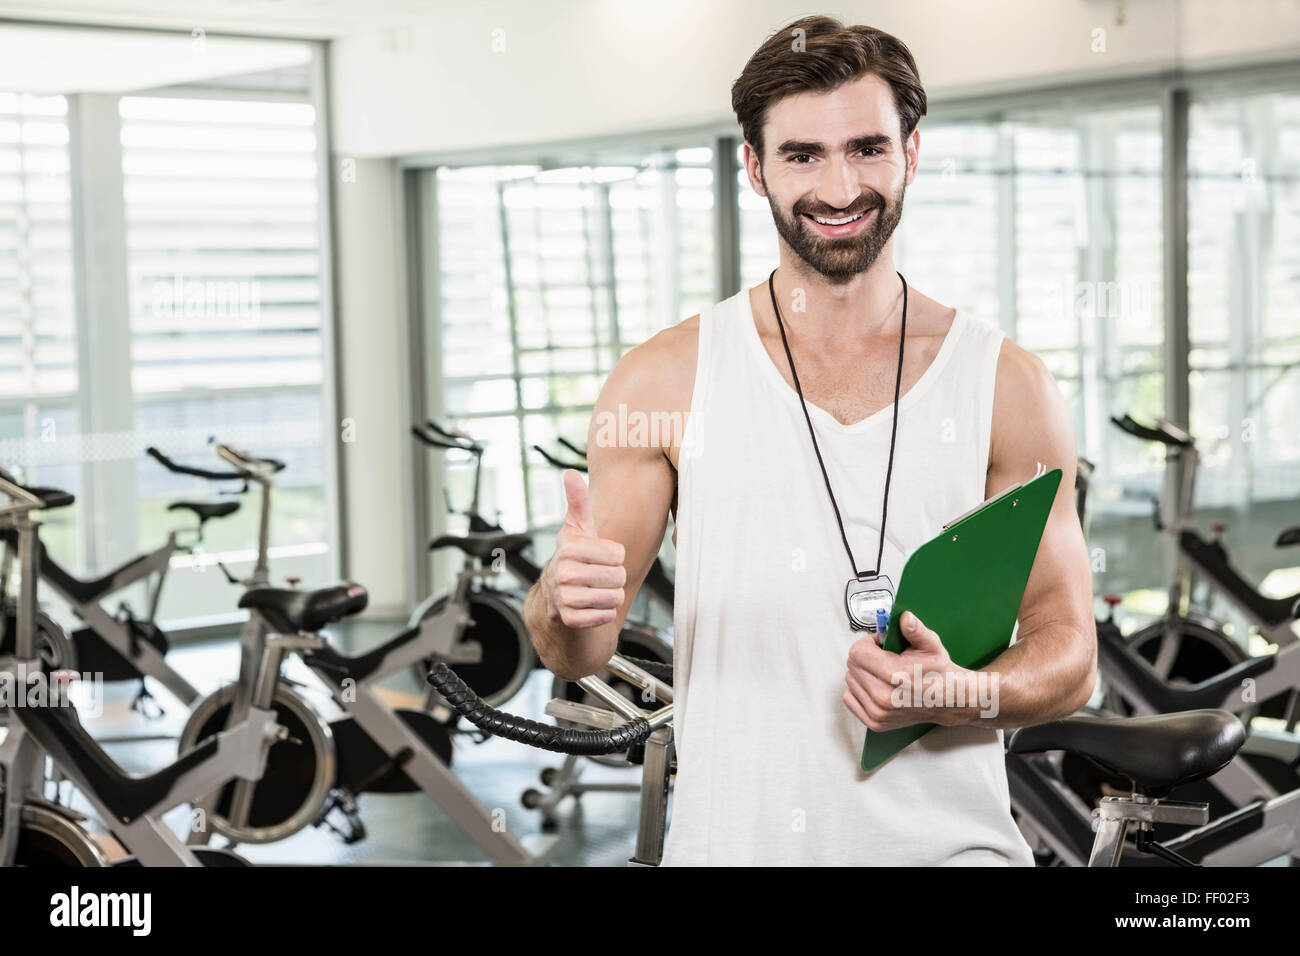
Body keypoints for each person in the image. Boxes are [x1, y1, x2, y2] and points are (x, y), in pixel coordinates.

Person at [523, 15, 1096, 865]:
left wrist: (963, 692)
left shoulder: (1009, 386)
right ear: (754, 167)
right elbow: (576, 647)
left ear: (912, 154)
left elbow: (1071, 658)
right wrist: (561, 603)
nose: (839, 187)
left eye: (867, 148)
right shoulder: (665, 381)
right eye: (802, 155)